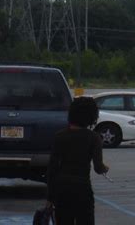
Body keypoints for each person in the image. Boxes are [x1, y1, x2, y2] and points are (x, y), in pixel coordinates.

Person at [46, 96, 109, 225]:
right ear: (92, 116)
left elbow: (52, 169)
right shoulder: (94, 138)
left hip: (62, 189)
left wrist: (50, 197)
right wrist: (105, 168)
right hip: (82, 188)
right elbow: (98, 168)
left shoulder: (60, 136)